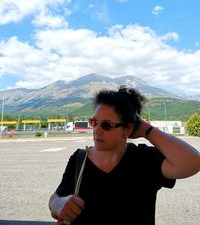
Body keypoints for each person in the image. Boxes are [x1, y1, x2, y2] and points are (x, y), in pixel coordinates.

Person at [49, 85, 200, 225]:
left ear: (127, 129)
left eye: (106, 125)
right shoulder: (80, 158)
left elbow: (193, 161)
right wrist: (58, 204)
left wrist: (146, 130)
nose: (97, 131)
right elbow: (55, 197)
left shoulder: (144, 159)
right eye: (95, 122)